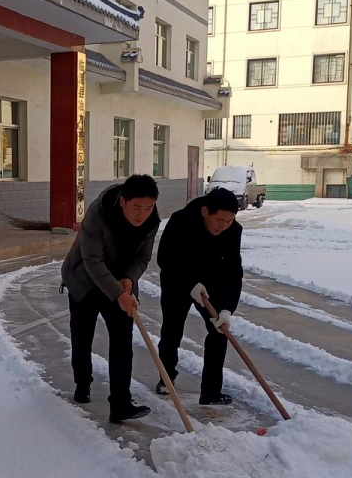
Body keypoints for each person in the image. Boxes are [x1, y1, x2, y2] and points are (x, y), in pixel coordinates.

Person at [61, 174, 161, 423]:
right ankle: (82, 382)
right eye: (137, 208)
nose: (142, 214)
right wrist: (118, 293)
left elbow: (143, 257)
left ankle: (120, 403)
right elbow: (92, 260)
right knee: (82, 335)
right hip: (84, 279)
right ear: (123, 201)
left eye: (148, 208)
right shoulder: (98, 214)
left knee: (122, 340)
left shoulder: (151, 220)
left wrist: (128, 278)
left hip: (119, 281)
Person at [155, 186, 243, 406]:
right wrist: (190, 284)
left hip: (211, 284)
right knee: (172, 331)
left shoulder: (233, 230)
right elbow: (166, 258)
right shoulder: (181, 221)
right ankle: (166, 378)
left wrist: (227, 308)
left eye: (229, 221)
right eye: (219, 220)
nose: (224, 227)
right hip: (178, 280)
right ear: (205, 211)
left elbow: (233, 269)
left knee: (219, 331)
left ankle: (211, 391)